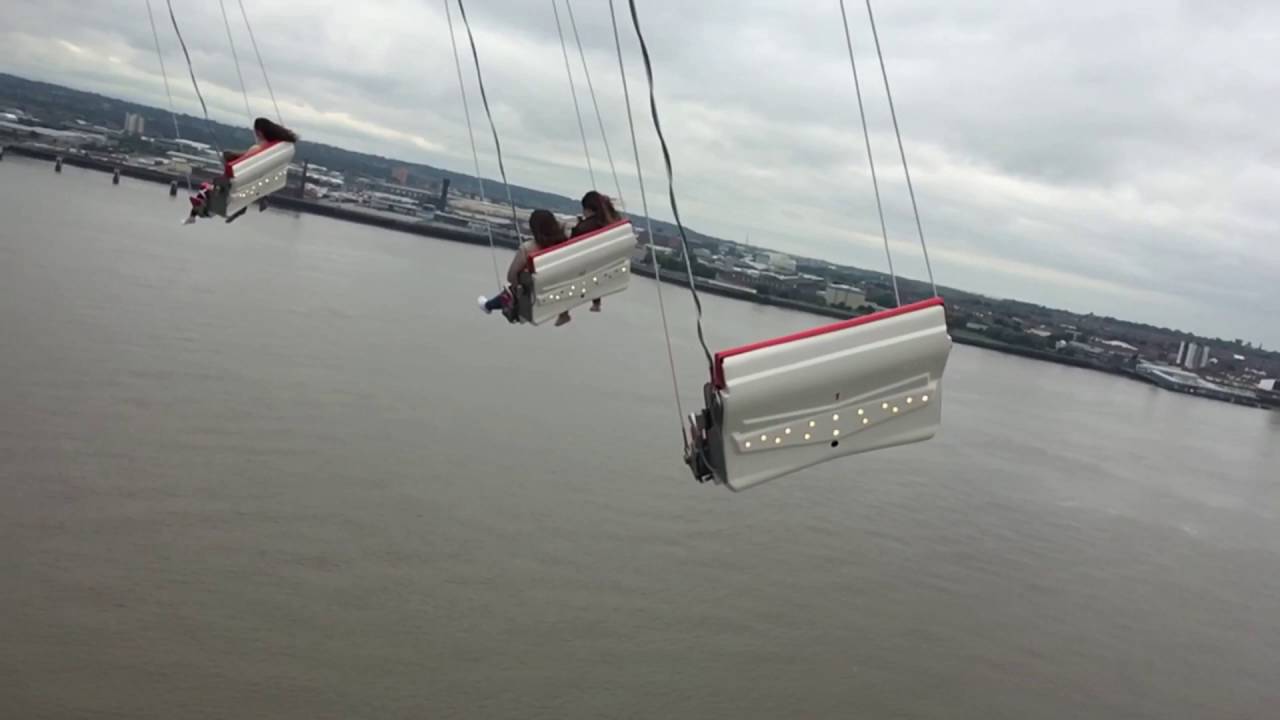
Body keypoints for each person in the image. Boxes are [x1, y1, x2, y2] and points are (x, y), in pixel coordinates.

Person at [184, 117, 299, 224]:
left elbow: (243, 161)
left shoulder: (256, 149)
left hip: (233, 186)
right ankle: (240, 207)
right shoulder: (273, 150)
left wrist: (228, 157)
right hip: (255, 184)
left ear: (258, 132)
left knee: (205, 188)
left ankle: (193, 216)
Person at [479, 209, 575, 326]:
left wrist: (517, 286)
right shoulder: (565, 242)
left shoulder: (527, 248)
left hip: (533, 292)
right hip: (559, 284)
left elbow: (511, 276)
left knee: (513, 288)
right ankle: (564, 313)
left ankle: (488, 305)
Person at [570, 190, 621, 312]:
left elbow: (572, 244)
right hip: (603, 261)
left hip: (584, 264)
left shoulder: (583, 227)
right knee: (594, 271)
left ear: (587, 209)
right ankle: (596, 303)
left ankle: (564, 312)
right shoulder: (609, 223)